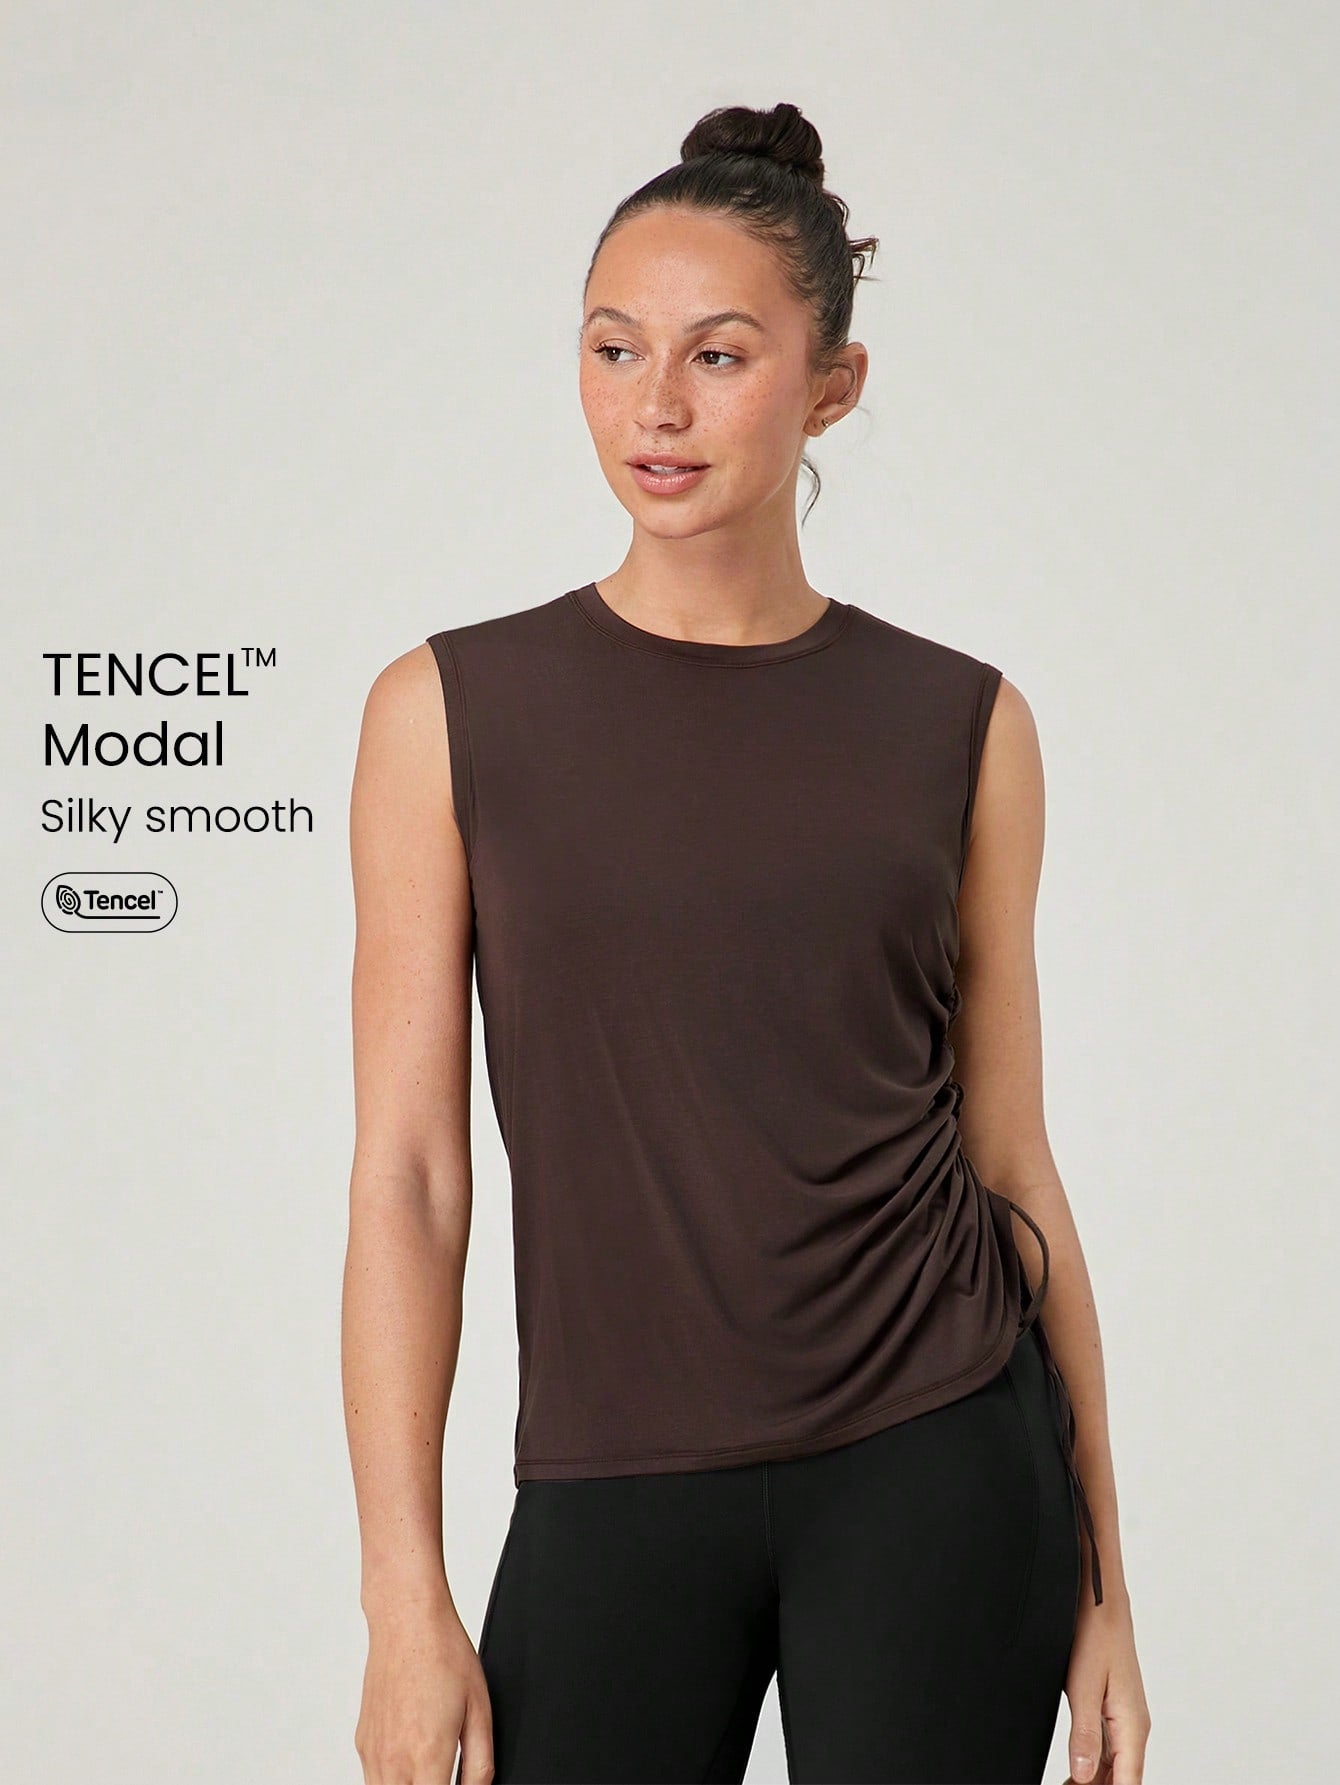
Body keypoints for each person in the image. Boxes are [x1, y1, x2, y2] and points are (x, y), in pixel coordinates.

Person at [343, 100, 1150, 1785]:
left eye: (718, 355)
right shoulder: (447, 714)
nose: (656, 404)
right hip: (611, 1478)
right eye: (614, 348)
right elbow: (410, 1175)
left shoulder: (965, 724)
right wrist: (402, 1594)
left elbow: (1012, 1163)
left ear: (831, 385)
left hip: (940, 1454)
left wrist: (1108, 1582)